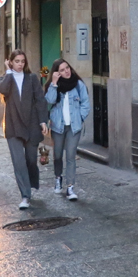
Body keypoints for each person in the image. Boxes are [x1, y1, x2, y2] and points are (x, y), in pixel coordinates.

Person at [0, 49, 49, 209]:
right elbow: (3, 90)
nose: (20, 64)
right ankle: (25, 195)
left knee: (31, 161)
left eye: (22, 61)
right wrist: (8, 72)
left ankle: (32, 182)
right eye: (17, 61)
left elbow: (40, 100)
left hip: (31, 124)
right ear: (11, 62)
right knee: (19, 163)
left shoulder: (32, 78)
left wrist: (43, 121)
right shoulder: (6, 78)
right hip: (13, 126)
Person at [44, 58, 91, 201]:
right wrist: (53, 83)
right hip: (58, 126)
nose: (66, 71)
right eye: (62, 70)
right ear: (57, 73)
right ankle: (58, 178)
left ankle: (70, 187)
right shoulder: (54, 86)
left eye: (67, 68)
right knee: (57, 155)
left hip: (73, 127)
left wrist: (80, 118)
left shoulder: (78, 85)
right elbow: (49, 101)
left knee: (70, 156)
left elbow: (86, 104)